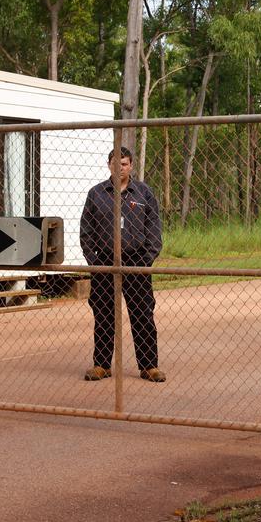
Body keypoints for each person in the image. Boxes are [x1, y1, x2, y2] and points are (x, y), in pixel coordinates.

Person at [79, 146, 165, 382]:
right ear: (109, 165)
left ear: (131, 166)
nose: (120, 167)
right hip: (105, 262)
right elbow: (85, 231)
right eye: (116, 163)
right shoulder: (96, 194)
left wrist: (146, 258)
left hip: (136, 261)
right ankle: (102, 365)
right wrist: (94, 261)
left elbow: (154, 229)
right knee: (104, 314)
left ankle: (149, 366)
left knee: (142, 315)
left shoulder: (144, 193)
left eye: (124, 163)